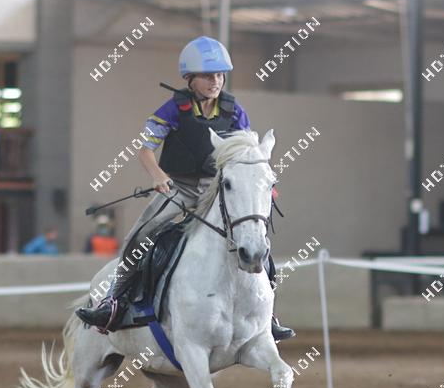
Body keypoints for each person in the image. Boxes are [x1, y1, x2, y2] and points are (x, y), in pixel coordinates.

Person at [76, 36, 294, 341]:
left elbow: (246, 153)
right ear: (190, 78)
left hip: (218, 191)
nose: (215, 82)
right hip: (178, 188)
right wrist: (157, 175)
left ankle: (267, 314)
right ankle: (114, 302)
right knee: (137, 238)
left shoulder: (234, 111)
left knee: (256, 240)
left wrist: (260, 185)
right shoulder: (173, 109)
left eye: (219, 75)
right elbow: (145, 149)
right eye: (208, 76)